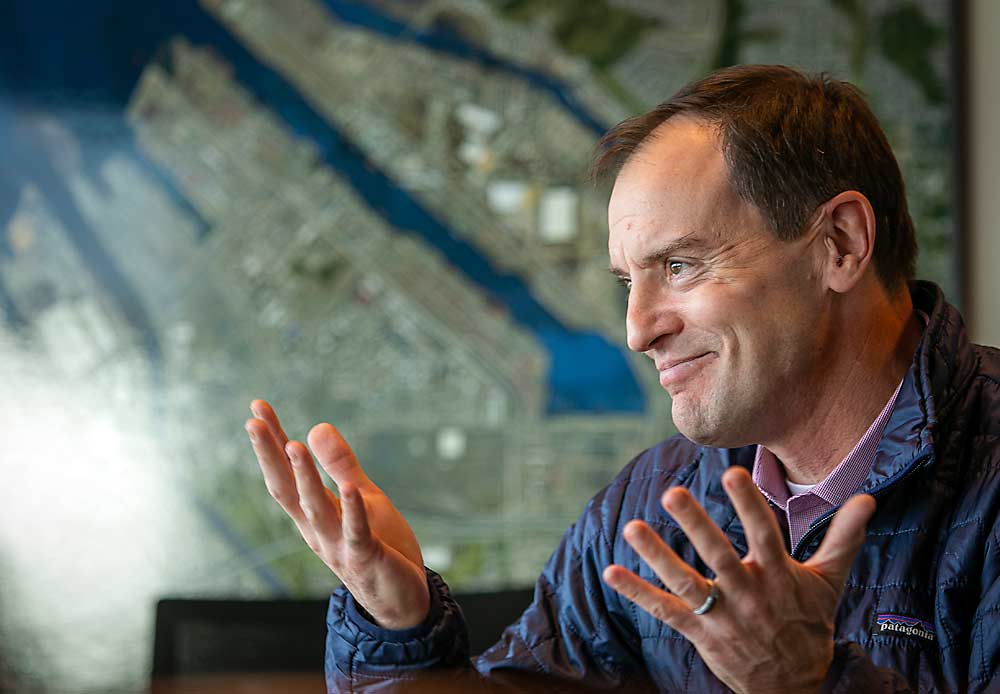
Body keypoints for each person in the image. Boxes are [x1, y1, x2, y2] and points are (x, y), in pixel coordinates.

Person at [245, 65, 1000, 692]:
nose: (638, 329)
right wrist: (396, 623)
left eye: (679, 265)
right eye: (626, 283)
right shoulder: (652, 504)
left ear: (839, 244)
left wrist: (810, 685)